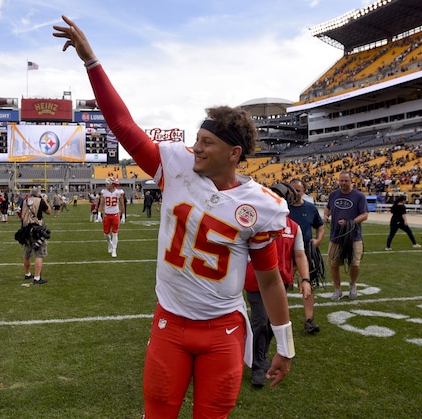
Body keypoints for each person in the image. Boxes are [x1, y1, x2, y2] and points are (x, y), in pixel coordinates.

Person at [54, 17, 293, 417]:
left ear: (234, 153)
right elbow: (123, 126)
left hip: (224, 330)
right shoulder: (178, 168)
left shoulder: (260, 204)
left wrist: (285, 345)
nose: (195, 148)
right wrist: (91, 61)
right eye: (197, 139)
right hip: (171, 323)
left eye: (207, 142)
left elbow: (269, 280)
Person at [245, 183, 312, 388]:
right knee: (260, 320)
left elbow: (299, 255)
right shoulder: (253, 223)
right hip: (255, 280)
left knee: (273, 324)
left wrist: (305, 279)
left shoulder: (293, 227)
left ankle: (262, 356)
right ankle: (258, 366)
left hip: (280, 281)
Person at [324, 171, 369, 301]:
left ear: (351, 181)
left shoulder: (359, 196)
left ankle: (352, 284)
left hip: (353, 236)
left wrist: (350, 223)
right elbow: (328, 208)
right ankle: (337, 289)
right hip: (336, 235)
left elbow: (365, 215)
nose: (343, 183)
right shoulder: (333, 194)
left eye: (346, 181)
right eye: (341, 181)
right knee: (334, 264)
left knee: (355, 264)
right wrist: (326, 215)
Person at [288, 178, 324, 334]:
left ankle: (309, 320)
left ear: (304, 191)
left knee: (306, 283)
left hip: (304, 253)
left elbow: (320, 225)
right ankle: (272, 319)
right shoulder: (281, 207)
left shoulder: (310, 208)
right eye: (293, 190)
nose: (295, 193)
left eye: (298, 190)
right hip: (283, 253)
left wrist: (318, 240)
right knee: (278, 286)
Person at [20, 187, 51, 285]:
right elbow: (48, 211)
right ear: (38, 194)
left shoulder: (25, 201)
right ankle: (37, 278)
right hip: (37, 229)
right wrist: (45, 200)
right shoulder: (40, 200)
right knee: (39, 254)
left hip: (25, 229)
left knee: (27, 253)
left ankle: (27, 273)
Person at [97, 177, 125, 258]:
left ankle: (114, 249)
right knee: (106, 234)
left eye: (107, 183)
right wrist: (99, 213)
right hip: (107, 215)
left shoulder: (119, 192)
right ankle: (109, 243)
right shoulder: (104, 192)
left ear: (112, 184)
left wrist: (123, 215)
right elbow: (101, 204)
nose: (106, 185)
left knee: (115, 233)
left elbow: (122, 205)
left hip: (115, 214)